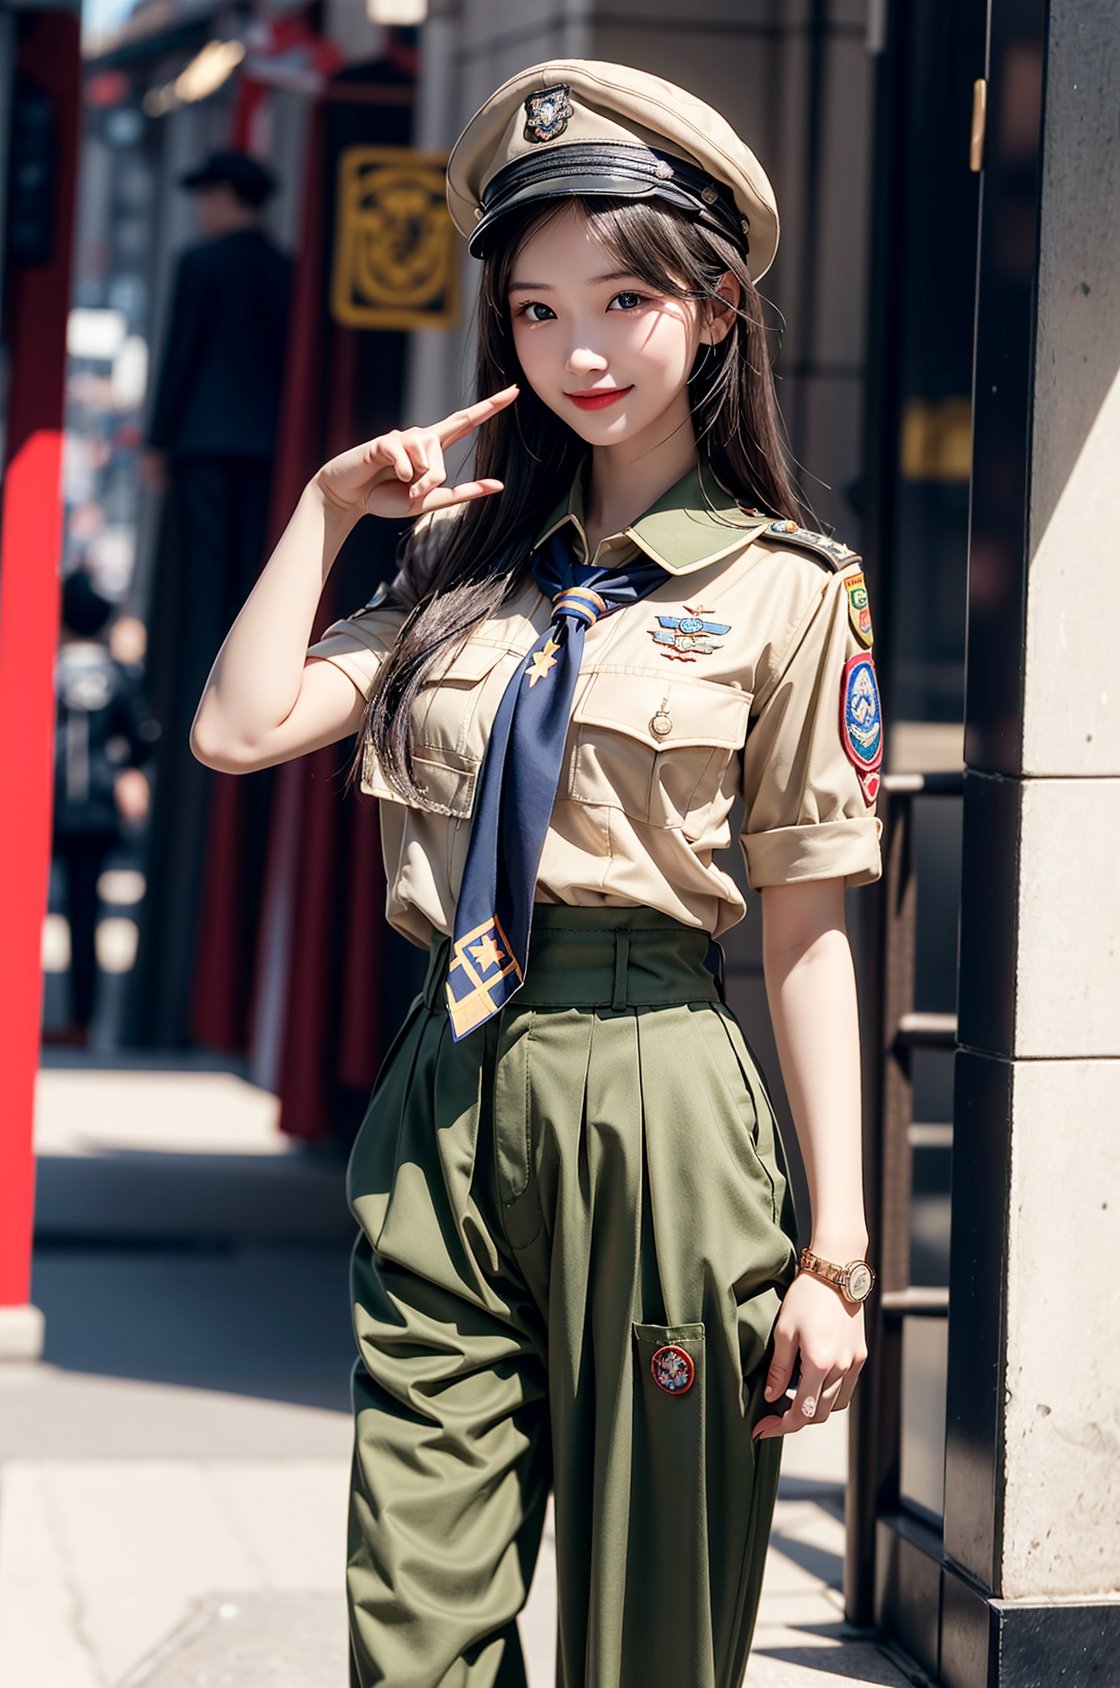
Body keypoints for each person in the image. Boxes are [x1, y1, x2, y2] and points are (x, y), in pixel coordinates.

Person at [190, 59, 883, 1688]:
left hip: (659, 1091)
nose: (578, 351)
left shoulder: (796, 592)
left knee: (652, 1632)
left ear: (714, 310)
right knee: (412, 1617)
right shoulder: (463, 562)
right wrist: (321, 506)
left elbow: (806, 934)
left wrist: (835, 1256)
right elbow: (239, 726)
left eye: (627, 299)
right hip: (445, 1092)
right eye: (537, 310)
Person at [131, 149, 293, 1045]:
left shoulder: (199, 267)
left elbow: (181, 355)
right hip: (265, 456)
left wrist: (158, 443)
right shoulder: (282, 268)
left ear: (225, 194)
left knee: (199, 606)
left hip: (201, 447)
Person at [48, 566, 155, 1046]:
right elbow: (142, 737)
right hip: (96, 807)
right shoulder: (118, 675)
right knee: (85, 913)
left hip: (43, 804)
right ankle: (82, 1019)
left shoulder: (41, 668)